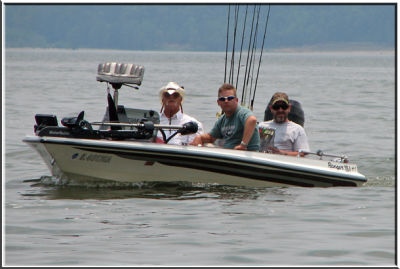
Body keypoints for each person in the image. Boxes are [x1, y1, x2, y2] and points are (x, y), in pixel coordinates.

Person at [190, 83, 260, 151]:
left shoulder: (242, 113)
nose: (226, 101)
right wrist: (199, 137)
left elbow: (252, 120)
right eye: (222, 99)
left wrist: (243, 145)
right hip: (229, 153)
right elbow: (211, 137)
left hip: (246, 154)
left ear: (236, 100)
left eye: (230, 98)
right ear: (218, 102)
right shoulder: (222, 119)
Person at [258, 92, 310, 156]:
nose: (280, 110)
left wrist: (281, 153)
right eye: (276, 107)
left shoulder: (297, 129)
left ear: (289, 108)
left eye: (284, 107)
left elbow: (302, 154)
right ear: (271, 109)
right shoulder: (261, 126)